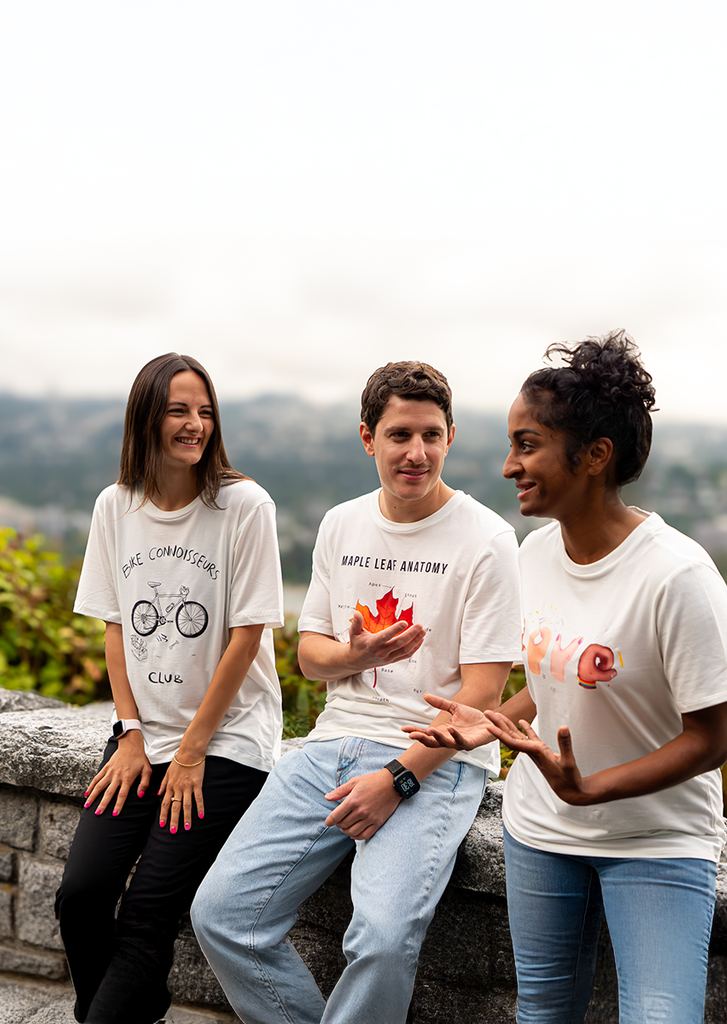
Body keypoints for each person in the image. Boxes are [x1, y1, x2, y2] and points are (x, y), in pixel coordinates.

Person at [407, 332, 727, 1023]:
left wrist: (594, 790)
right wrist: (497, 720)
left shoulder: (677, 575)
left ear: (596, 456)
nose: (508, 466)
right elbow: (554, 673)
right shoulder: (534, 555)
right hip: (541, 827)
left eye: (528, 445)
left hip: (655, 839)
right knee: (542, 1013)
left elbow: (711, 738)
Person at [191, 360, 523, 1024]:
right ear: (367, 437)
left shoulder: (487, 539)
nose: (417, 453)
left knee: (380, 938)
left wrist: (398, 777)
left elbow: (485, 692)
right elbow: (311, 659)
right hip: (331, 744)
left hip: (435, 761)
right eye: (400, 435)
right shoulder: (342, 525)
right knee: (222, 915)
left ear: (451, 437)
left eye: (431, 435)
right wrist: (357, 654)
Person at [55, 353, 284, 1024]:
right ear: (146, 418)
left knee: (149, 911)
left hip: (227, 742)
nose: (195, 424)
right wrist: (131, 734)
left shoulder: (244, 505)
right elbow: (117, 629)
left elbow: (245, 639)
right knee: (82, 893)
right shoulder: (115, 505)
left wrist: (190, 751)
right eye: (179, 410)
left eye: (205, 411)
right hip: (141, 737)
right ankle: (136, 1010)